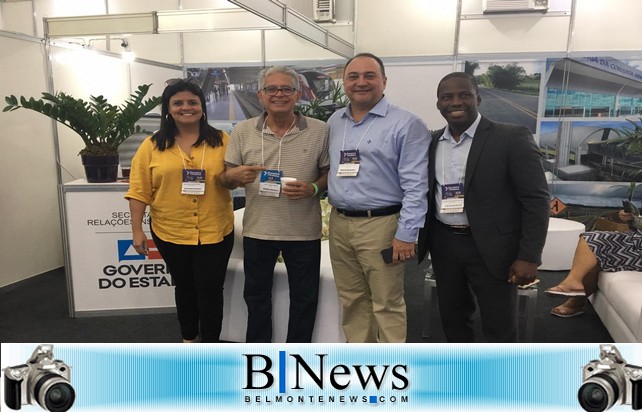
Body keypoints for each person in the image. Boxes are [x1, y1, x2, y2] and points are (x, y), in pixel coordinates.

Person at [417, 72, 550, 343]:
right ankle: (464, 377)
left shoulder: (510, 137)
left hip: (493, 247)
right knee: (453, 319)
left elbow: (536, 200)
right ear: (438, 104)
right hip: (444, 243)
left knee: (499, 324)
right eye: (447, 97)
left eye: (464, 94)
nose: (456, 101)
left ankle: (499, 381)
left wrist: (530, 255)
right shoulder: (430, 142)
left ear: (477, 98)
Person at [219, 66, 329, 343]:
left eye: (286, 89)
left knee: (305, 300)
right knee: (256, 298)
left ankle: (297, 357)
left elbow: (329, 174)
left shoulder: (320, 130)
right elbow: (226, 178)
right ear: (261, 95)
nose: (279, 94)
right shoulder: (242, 131)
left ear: (297, 94)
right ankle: (259, 355)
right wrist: (233, 176)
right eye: (272, 89)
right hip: (259, 230)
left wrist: (314, 187)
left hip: (303, 231)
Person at [327, 53, 430, 343]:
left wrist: (407, 234)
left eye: (369, 76)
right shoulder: (336, 120)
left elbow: (416, 185)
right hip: (340, 223)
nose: (361, 82)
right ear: (344, 82)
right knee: (352, 299)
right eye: (353, 76)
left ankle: (391, 369)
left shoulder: (407, 124)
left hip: (382, 225)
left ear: (384, 81)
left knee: (387, 303)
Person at [125, 79, 234, 343]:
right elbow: (139, 190)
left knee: (211, 290)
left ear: (202, 107)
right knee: (184, 287)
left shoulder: (222, 140)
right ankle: (189, 339)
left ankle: (210, 344)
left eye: (192, 102)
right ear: (168, 109)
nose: (186, 107)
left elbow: (232, 178)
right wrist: (137, 231)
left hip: (215, 229)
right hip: (170, 230)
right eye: (178, 103)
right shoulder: (151, 146)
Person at [545, 209, 641, 317]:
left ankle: (576, 302)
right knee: (591, 238)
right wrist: (622, 216)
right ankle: (573, 281)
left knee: (599, 256)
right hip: (637, 239)